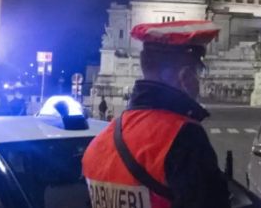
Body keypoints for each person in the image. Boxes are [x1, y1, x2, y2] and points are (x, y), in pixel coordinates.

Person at [82, 20, 230, 208]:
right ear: (184, 77)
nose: (198, 84)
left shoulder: (103, 140)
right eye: (197, 73)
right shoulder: (183, 137)